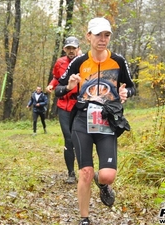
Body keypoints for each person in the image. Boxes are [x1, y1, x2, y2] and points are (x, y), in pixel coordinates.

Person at [55, 17, 136, 225]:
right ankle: (84, 218)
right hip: (82, 120)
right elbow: (58, 89)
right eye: (98, 34)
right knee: (86, 172)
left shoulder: (117, 61)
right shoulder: (79, 62)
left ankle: (103, 185)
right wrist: (70, 87)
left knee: (107, 175)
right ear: (88, 36)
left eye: (106, 35)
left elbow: (131, 86)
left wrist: (126, 91)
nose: (102, 39)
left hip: (107, 120)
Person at [46, 36, 81, 184]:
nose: (71, 51)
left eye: (74, 48)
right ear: (64, 49)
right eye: (69, 48)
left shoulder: (84, 62)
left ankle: (85, 171)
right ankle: (71, 173)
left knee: (80, 139)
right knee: (68, 139)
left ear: (78, 48)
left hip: (79, 105)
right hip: (63, 105)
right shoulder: (60, 62)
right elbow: (56, 78)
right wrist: (51, 85)